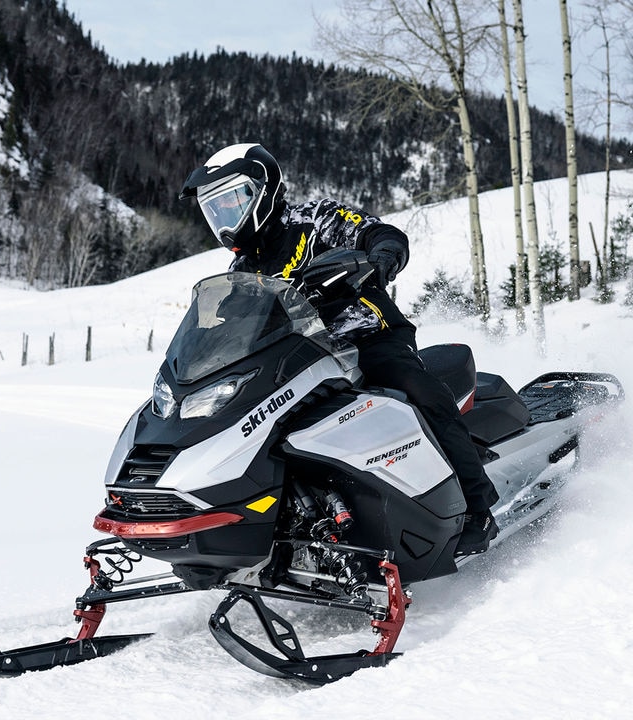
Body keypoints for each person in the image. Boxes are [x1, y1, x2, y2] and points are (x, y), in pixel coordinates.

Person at [180, 142, 499, 555]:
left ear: (262, 192)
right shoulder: (241, 271)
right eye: (214, 211)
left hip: (366, 338)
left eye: (229, 205)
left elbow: (378, 232)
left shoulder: (314, 220)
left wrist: (381, 255)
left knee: (420, 393)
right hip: (296, 359)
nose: (224, 222)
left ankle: (477, 507)